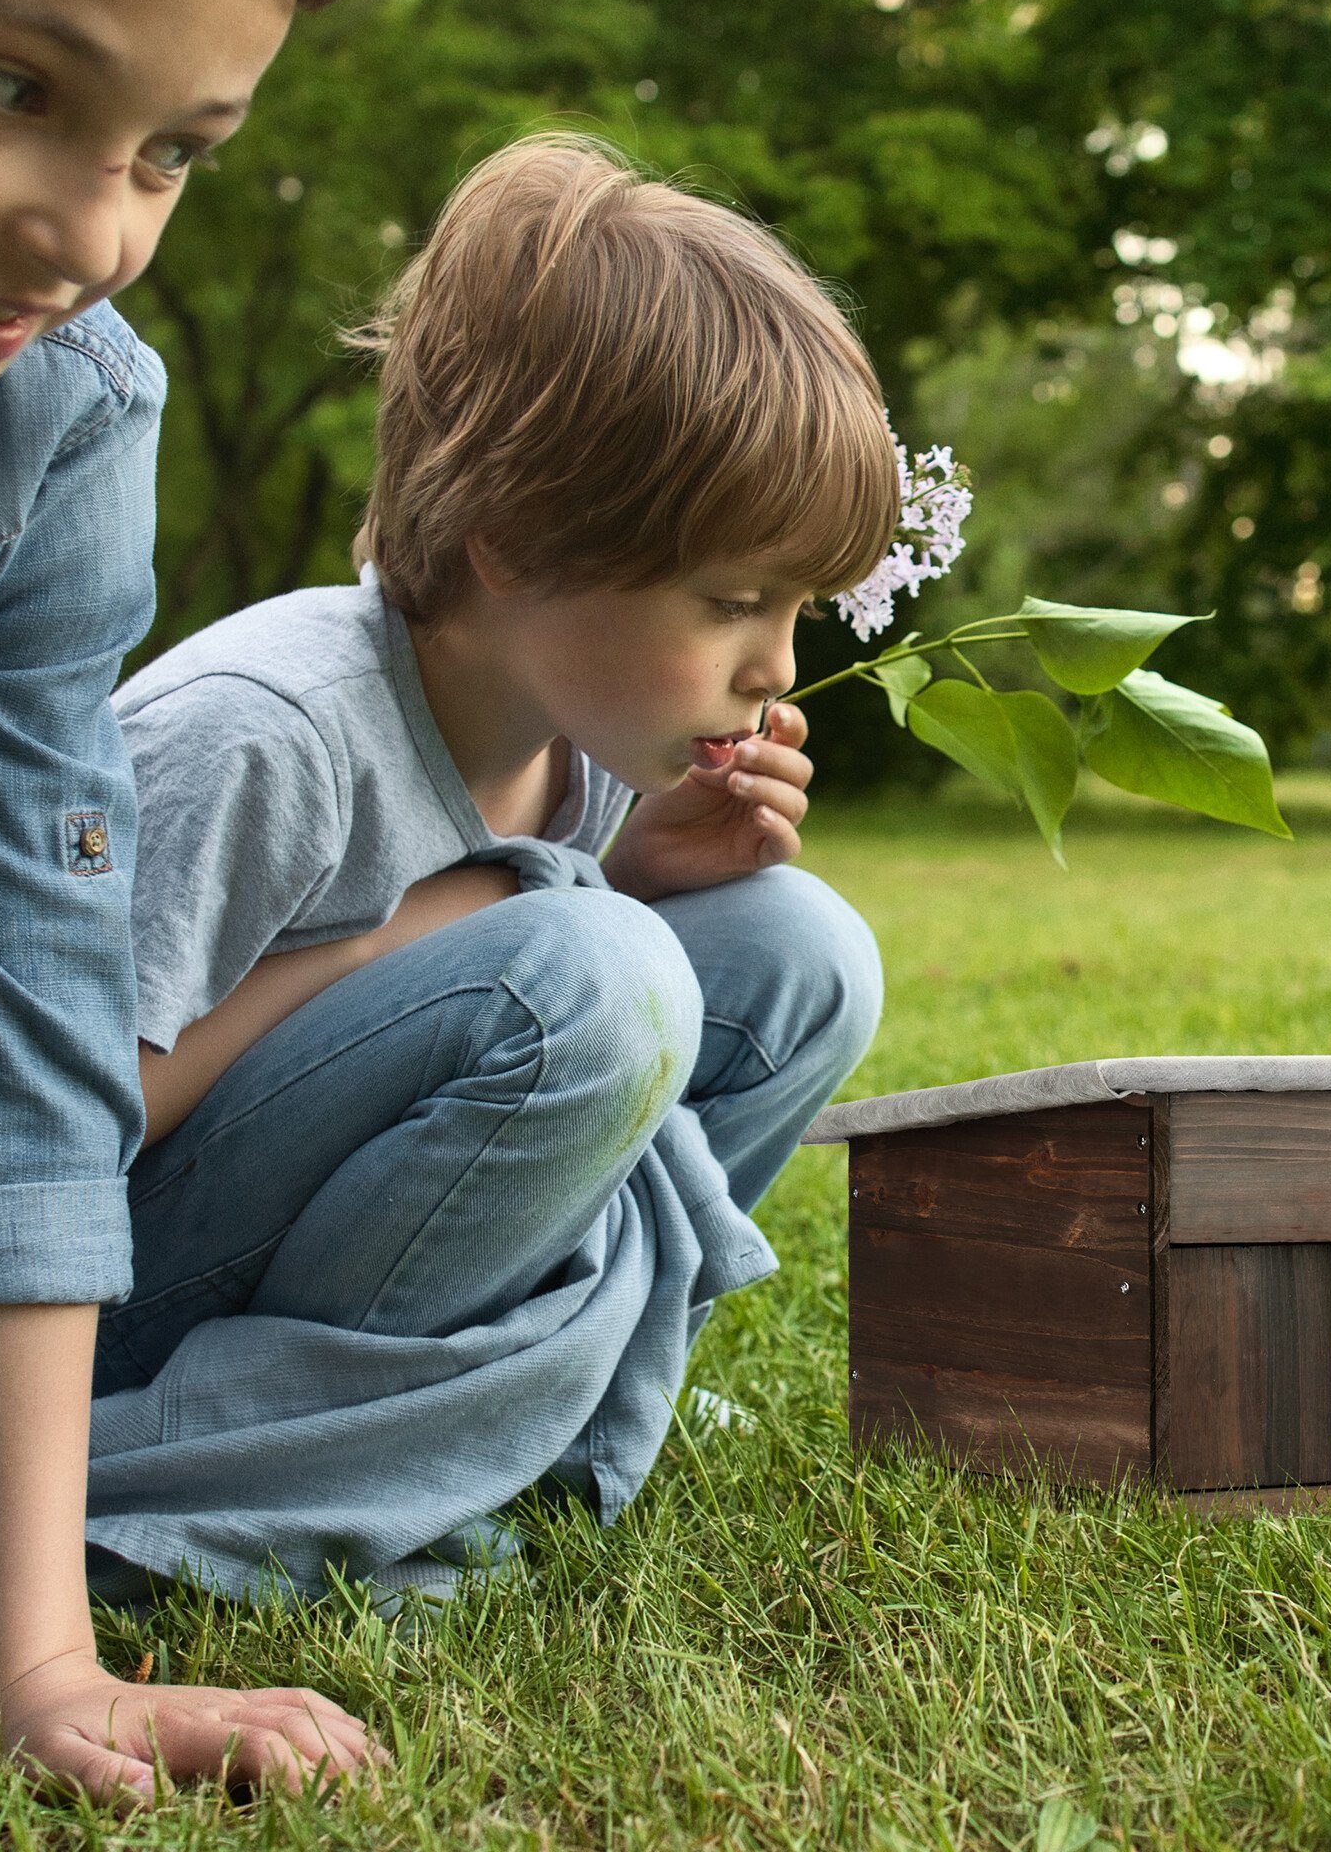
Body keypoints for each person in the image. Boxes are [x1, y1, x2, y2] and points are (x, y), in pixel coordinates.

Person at [70, 137, 883, 1617]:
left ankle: (522, 1411)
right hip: (139, 1314)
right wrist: (484, 919)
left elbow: (507, 990)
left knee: (799, 949)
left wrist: (613, 877)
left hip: (356, 1234)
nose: (775, 668)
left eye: (797, 607)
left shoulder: (581, 744)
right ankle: (329, 1470)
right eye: (734, 603)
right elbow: (58, 1118)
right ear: (515, 544)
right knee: (595, 971)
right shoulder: (272, 730)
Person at [0, 0, 392, 1801]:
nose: (85, 230)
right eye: (13, 85)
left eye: (172, 150)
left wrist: (46, 1665)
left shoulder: (51, 422)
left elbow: (14, 1015)